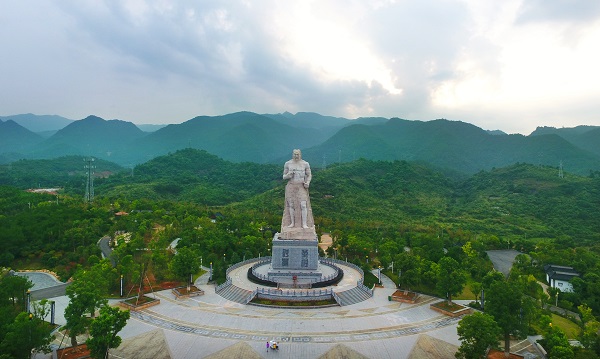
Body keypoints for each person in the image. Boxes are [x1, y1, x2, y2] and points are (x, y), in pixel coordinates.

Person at [282, 149, 313, 230]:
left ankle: (304, 224)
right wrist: (288, 175)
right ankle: (292, 223)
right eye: (295, 154)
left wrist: (308, 182)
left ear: (300, 154)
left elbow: (309, 175)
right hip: (291, 186)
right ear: (292, 154)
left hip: (301, 186)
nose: (296, 156)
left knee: (303, 204)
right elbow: (284, 176)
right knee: (291, 205)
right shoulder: (288, 163)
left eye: (297, 154)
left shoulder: (305, 164)